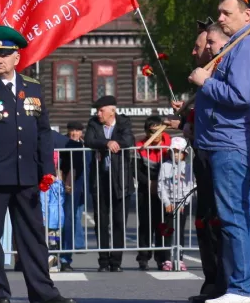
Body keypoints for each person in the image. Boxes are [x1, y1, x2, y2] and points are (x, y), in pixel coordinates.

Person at [0, 25, 74, 303]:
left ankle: (43, 292)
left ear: (17, 57)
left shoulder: (32, 87)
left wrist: (47, 168)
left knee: (33, 236)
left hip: (26, 176)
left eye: (5, 54)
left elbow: (43, 131)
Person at [187, 0, 250, 303]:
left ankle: (242, 288)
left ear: (247, 16)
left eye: (226, 13)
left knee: (232, 215)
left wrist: (205, 82)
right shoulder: (241, 44)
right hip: (230, 141)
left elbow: (241, 96)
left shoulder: (246, 46)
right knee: (242, 215)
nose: (220, 18)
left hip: (229, 142)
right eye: (220, 12)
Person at [181, 21, 229, 303]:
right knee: (205, 221)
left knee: (217, 222)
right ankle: (212, 281)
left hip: (218, 155)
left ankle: (222, 282)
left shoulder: (218, 74)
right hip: (204, 157)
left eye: (205, 44)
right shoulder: (206, 77)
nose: (199, 50)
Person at [84, 94, 133, 271]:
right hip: (101, 179)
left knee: (119, 221)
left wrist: (115, 142)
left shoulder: (123, 123)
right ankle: (103, 261)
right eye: (97, 110)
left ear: (112, 111)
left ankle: (116, 261)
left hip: (121, 179)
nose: (98, 113)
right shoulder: (93, 123)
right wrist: (107, 143)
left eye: (101, 110)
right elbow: (89, 140)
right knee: (101, 222)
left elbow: (128, 141)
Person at [133, 115, 170, 270]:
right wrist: (149, 183)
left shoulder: (169, 144)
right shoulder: (140, 146)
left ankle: (163, 258)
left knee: (163, 225)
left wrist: (160, 184)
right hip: (146, 187)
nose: (155, 135)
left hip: (166, 190)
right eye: (151, 131)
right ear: (146, 132)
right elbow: (135, 169)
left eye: (158, 131)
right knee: (145, 224)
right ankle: (143, 257)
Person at [56, 121, 90, 273]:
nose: (75, 133)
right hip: (63, 186)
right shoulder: (63, 144)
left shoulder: (87, 146)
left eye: (77, 131)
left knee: (74, 217)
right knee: (63, 220)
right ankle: (60, 256)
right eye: (72, 130)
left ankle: (69, 252)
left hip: (79, 188)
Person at [157, 136, 193, 270]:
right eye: (173, 152)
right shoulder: (165, 166)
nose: (176, 155)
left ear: (184, 153)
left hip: (181, 203)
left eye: (178, 152)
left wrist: (184, 202)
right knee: (168, 230)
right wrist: (166, 202)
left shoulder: (188, 167)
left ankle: (180, 259)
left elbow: (190, 186)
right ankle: (167, 259)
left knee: (180, 232)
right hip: (169, 203)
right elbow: (161, 185)